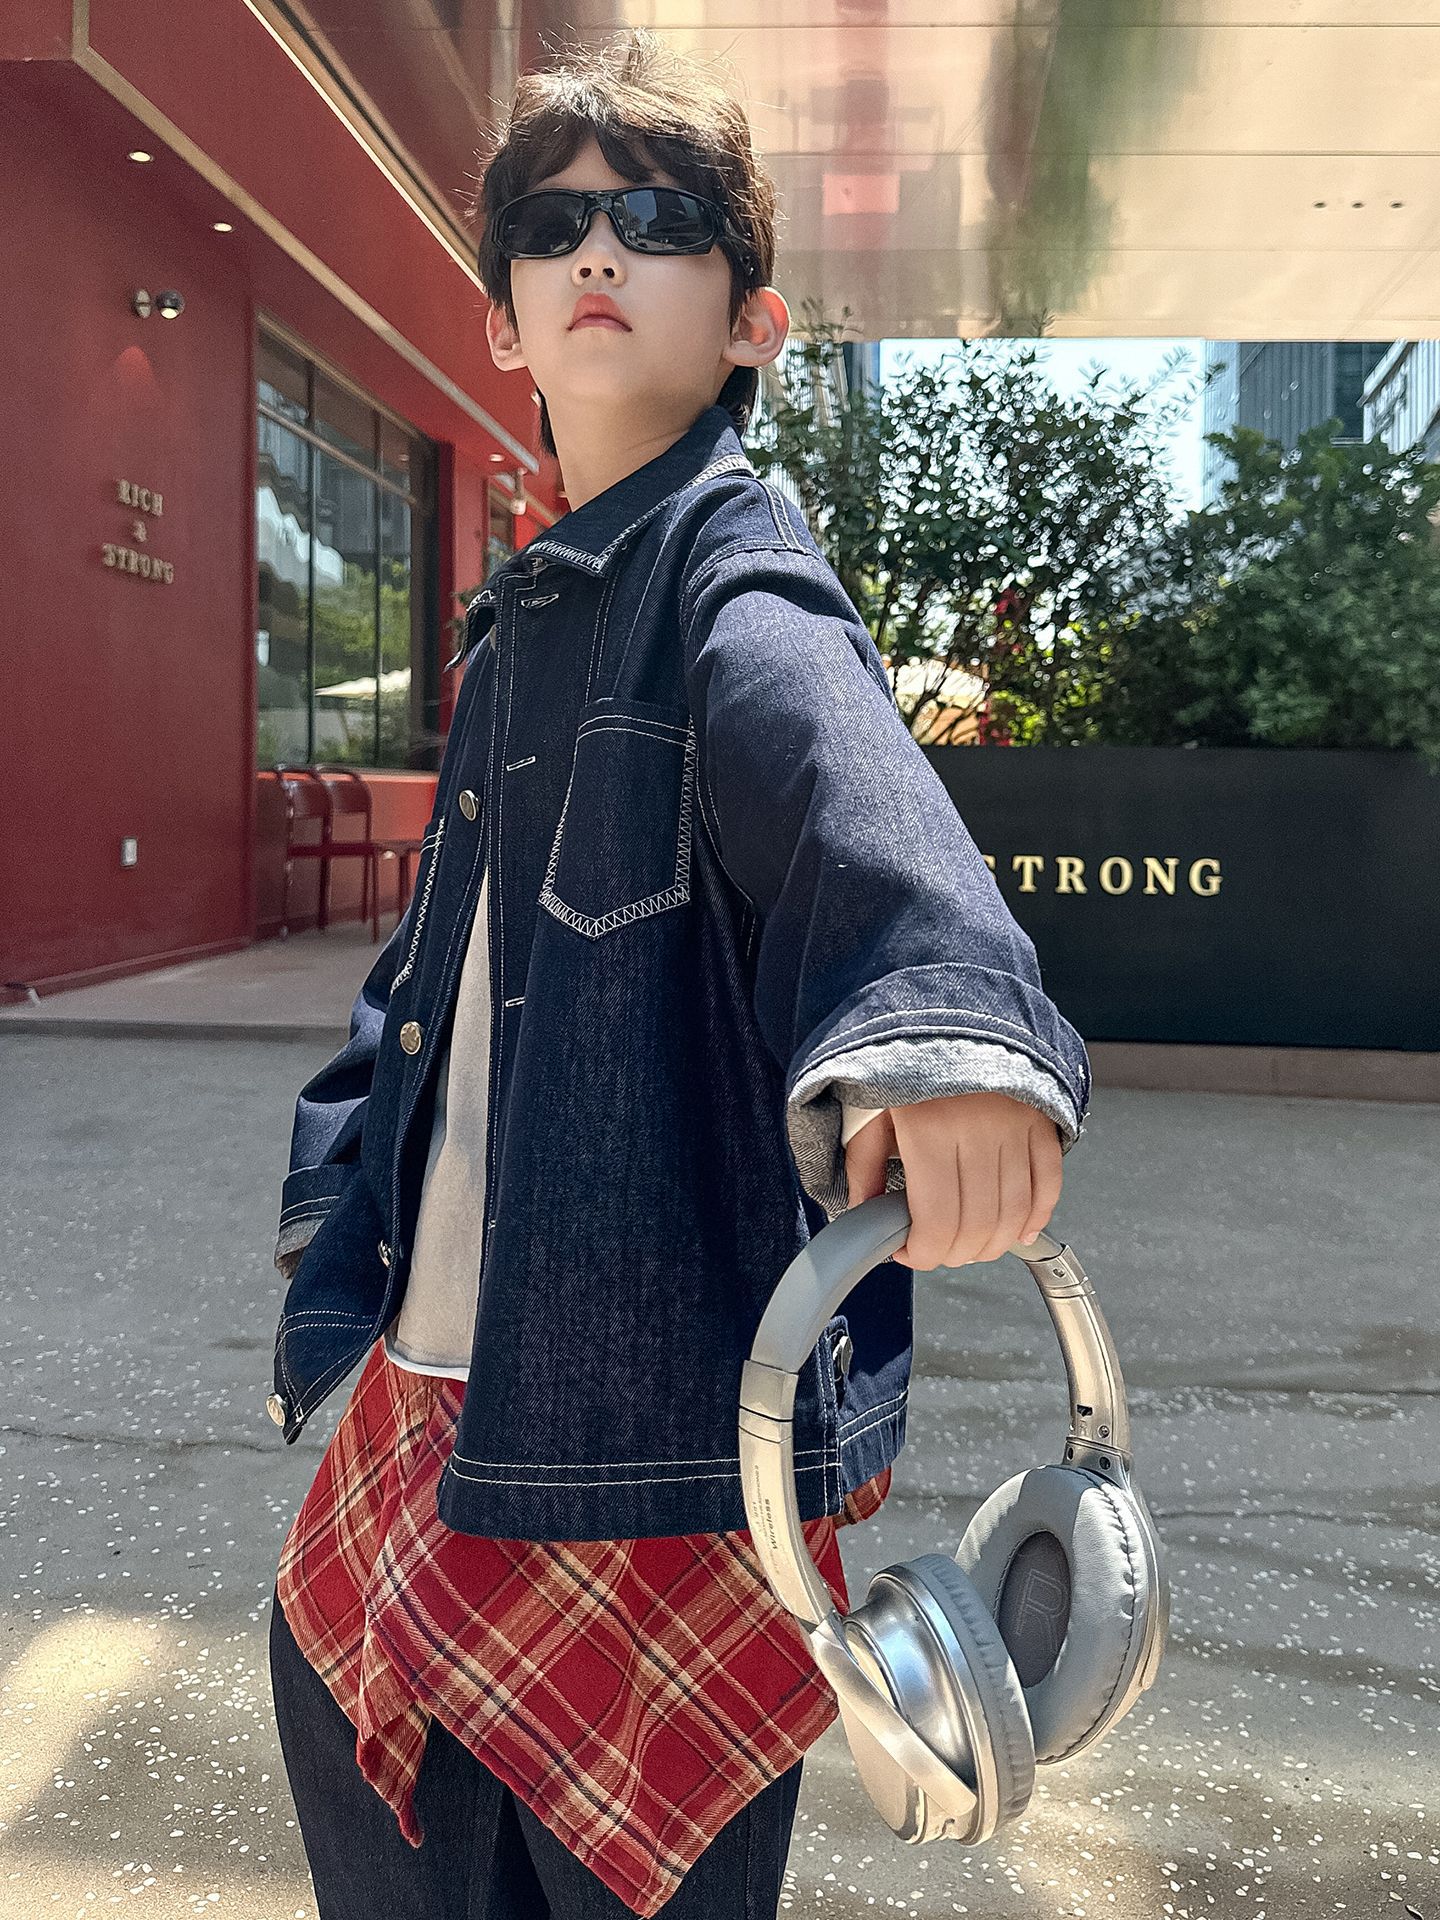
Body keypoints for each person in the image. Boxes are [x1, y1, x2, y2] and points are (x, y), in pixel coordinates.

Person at [264, 26, 1092, 1919]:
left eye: (658, 221)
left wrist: (949, 1035)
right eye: (553, 226)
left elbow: (848, 782)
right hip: (428, 1403)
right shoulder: (515, 629)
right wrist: (335, 1194)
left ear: (752, 325)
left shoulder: (734, 565)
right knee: (362, 1778)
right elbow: (430, 973)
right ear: (502, 325)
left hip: (642, 1463)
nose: (598, 250)